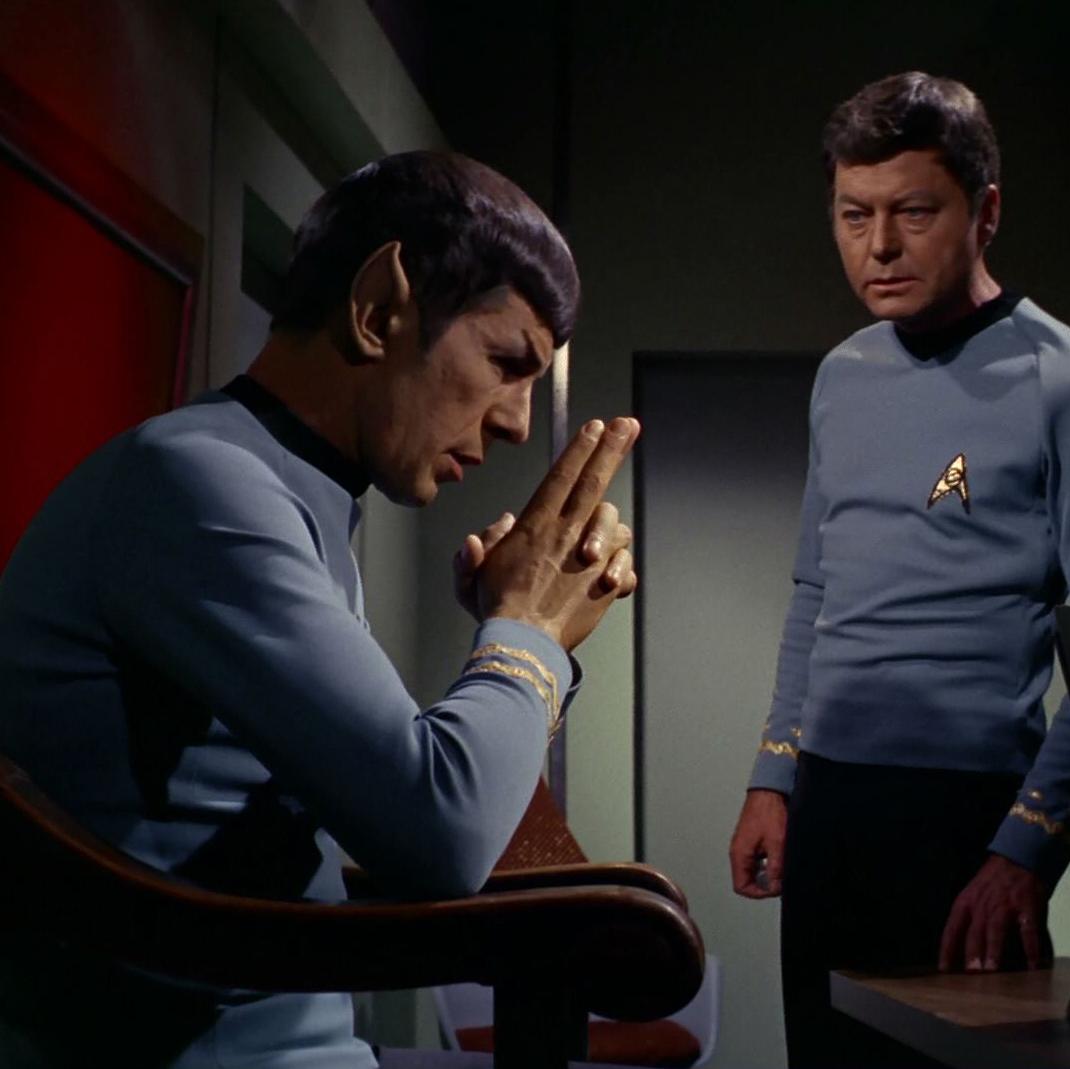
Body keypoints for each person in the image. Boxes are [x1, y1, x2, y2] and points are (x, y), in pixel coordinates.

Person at [0, 151, 638, 1068]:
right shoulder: (202, 483)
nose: (515, 422)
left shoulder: (285, 490)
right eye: (507, 362)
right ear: (379, 306)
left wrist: (525, 637)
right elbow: (442, 834)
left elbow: (446, 821)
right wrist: (528, 630)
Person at [727, 72, 1070, 1067]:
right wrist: (773, 776)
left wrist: (1027, 848)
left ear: (985, 211)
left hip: (965, 819)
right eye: (854, 215)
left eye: (913, 212)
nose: (878, 246)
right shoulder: (842, 376)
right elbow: (816, 591)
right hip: (828, 807)